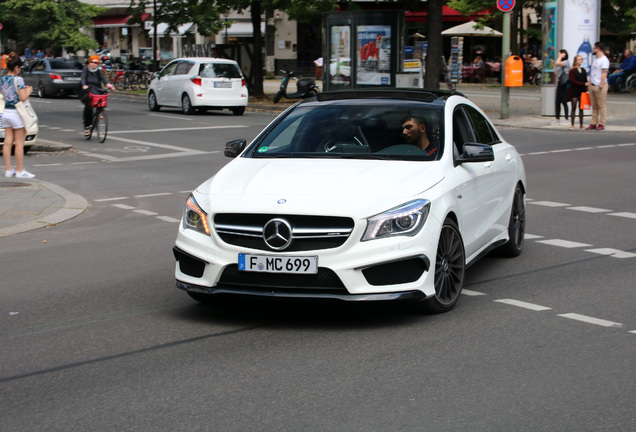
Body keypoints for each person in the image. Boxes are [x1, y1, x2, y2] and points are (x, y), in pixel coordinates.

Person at [2, 52, 35, 178]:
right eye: (20, 68)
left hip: (6, 112)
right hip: (17, 113)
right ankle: (20, 170)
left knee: (7, 142)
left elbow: (5, 95)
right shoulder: (18, 79)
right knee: (19, 144)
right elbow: (22, 97)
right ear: (16, 67)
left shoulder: (3, 78)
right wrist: (28, 91)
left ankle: (9, 169)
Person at [80, 55, 113, 137]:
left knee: (101, 100)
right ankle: (87, 126)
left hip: (96, 89)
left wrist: (109, 85)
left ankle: (99, 113)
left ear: (98, 64)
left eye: (95, 63)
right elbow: (83, 78)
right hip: (87, 89)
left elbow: (104, 79)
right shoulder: (86, 69)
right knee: (88, 107)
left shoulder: (98, 71)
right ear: (89, 62)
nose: (93, 64)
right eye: (92, 62)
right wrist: (84, 85)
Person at [586, 42, 610, 130]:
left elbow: (604, 73)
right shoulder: (595, 59)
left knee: (601, 105)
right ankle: (593, 122)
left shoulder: (604, 60)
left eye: (594, 48)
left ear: (598, 48)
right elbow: (592, 72)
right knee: (594, 105)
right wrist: (589, 83)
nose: (593, 50)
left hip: (600, 85)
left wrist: (601, 85)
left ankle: (601, 123)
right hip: (593, 84)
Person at [567, 55, 588, 130]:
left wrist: (587, 86)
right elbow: (573, 81)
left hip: (582, 90)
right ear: (575, 61)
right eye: (579, 59)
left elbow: (585, 79)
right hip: (575, 90)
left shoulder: (583, 70)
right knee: (574, 107)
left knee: (581, 108)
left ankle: (581, 124)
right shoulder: (572, 71)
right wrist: (584, 84)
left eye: (581, 59)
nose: (580, 60)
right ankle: (572, 124)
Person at [553, 49, 570, 125]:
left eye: (559, 54)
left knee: (564, 101)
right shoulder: (560, 64)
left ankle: (566, 118)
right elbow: (556, 73)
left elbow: (558, 62)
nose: (558, 55)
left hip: (565, 84)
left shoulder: (566, 62)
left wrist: (560, 56)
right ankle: (557, 118)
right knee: (557, 101)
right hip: (560, 83)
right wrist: (554, 65)